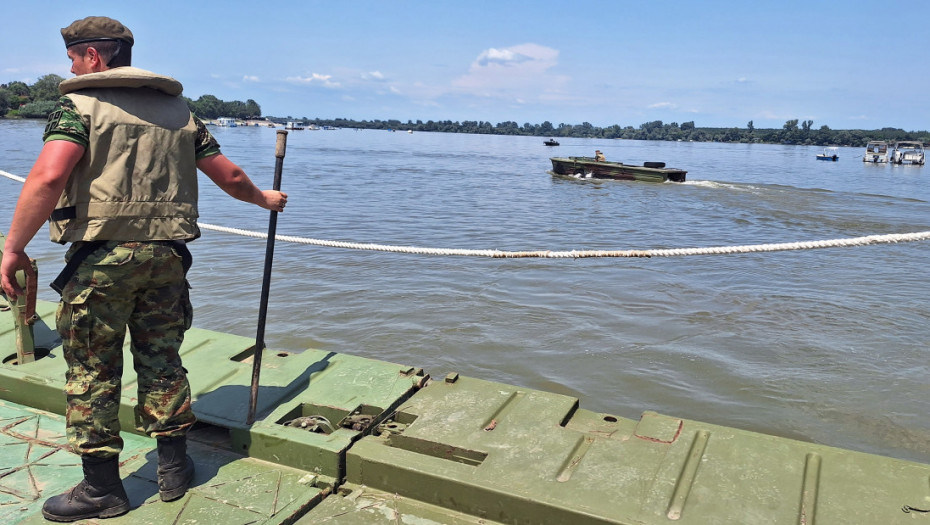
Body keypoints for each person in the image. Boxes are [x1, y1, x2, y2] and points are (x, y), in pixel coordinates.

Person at [0, 16, 287, 522]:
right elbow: (232, 176)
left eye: (71, 57)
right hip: (167, 259)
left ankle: (102, 490)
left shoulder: (77, 107)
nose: (69, 66)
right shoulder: (181, 114)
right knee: (162, 357)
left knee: (92, 370)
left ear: (92, 56)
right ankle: (175, 470)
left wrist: (12, 248)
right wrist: (265, 199)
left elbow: (48, 176)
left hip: (101, 261)